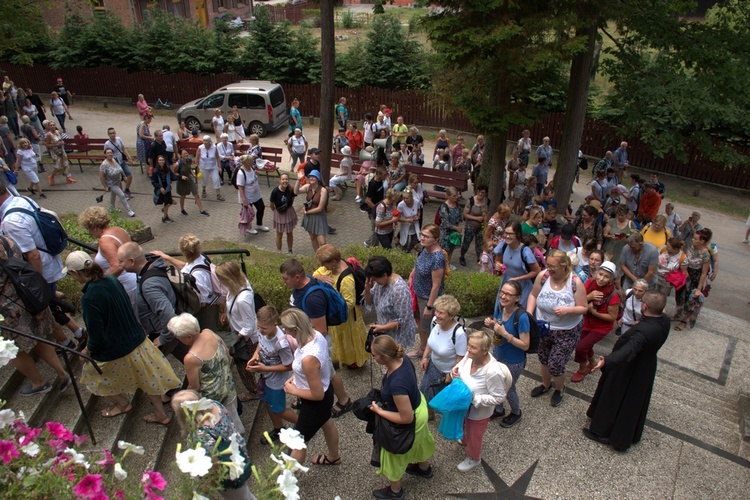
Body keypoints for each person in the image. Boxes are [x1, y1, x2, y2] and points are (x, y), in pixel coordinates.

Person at [66, 251, 180, 424]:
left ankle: (122, 404)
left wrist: (88, 350)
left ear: (75, 273)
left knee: (92, 375)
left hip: (116, 347)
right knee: (148, 376)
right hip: (137, 338)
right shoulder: (111, 280)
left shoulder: (89, 298)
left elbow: (96, 334)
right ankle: (160, 413)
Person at [584, 291, 670, 452]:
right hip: (647, 366)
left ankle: (603, 432)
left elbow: (628, 350)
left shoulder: (643, 332)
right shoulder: (663, 321)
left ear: (644, 306)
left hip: (629, 369)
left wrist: (607, 361)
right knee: (633, 402)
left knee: (616, 398)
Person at [280, 258, 353, 418]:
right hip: (304, 340)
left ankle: (344, 400)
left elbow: (320, 330)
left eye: (286, 278)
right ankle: (304, 396)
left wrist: (308, 350)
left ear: (297, 277)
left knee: (330, 373)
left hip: (316, 343)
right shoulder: (303, 282)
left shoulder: (313, 299)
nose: (283, 281)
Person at [0, 235, 70, 396]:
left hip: (8, 309)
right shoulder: (6, 240)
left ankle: (39, 382)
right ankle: (62, 373)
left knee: (13, 349)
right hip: (29, 296)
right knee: (39, 337)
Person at [369, 335, 435, 499]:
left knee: (394, 454)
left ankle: (395, 491)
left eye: (374, 355)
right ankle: (424, 468)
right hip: (419, 406)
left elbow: (406, 418)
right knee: (419, 441)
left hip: (411, 417)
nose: (372, 357)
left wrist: (379, 411)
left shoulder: (397, 384)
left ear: (384, 357)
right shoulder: (402, 358)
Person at [279, 308, 341, 466]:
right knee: (327, 422)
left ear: (295, 329)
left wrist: (293, 390)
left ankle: (285, 485)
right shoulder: (316, 335)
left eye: (285, 328)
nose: (283, 330)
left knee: (298, 442)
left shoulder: (308, 358)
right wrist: (296, 376)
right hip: (327, 393)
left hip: (316, 403)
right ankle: (334, 457)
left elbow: (317, 394)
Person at [527, 249, 588, 407]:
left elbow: (583, 307)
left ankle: (560, 388)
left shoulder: (575, 282)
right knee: (543, 358)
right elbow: (533, 295)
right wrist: (529, 314)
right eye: (547, 265)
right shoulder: (543, 276)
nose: (549, 269)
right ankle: (546, 385)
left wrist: (569, 310)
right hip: (544, 327)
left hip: (566, 330)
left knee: (556, 363)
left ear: (564, 266)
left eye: (553, 266)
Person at [168, 313, 244, 433]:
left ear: (188, 336)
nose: (178, 339)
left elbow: (194, 386)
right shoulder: (209, 332)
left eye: (179, 336)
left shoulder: (191, 357)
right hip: (228, 384)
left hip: (213, 396)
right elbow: (227, 355)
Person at [171, 390, 253, 499]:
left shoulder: (200, 435)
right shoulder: (215, 405)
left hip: (228, 472)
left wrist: (206, 486)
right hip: (237, 453)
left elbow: (216, 466)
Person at [452, 330, 511, 472]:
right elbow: (461, 366)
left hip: (478, 412)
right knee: (466, 425)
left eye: (473, 347)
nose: (468, 349)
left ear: (484, 351)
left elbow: (499, 397)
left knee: (475, 434)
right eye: (469, 345)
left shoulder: (492, 372)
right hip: (464, 405)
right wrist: (455, 370)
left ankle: (474, 457)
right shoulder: (470, 355)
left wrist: (475, 398)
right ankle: (466, 440)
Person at [116, 242, 187, 362]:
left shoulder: (149, 285)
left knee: (150, 367)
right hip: (170, 331)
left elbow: (168, 314)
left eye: (121, 261)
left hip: (163, 332)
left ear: (132, 261)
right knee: (187, 356)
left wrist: (163, 339)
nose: (119, 265)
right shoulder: (151, 269)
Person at [246, 305, 298, 444]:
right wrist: (255, 355)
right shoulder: (262, 332)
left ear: (274, 324)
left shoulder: (281, 343)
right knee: (268, 403)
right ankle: (278, 428)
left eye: (264, 328)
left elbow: (289, 366)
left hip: (277, 381)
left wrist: (265, 369)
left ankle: (304, 424)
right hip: (266, 377)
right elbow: (260, 345)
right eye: (259, 327)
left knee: (279, 409)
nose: (260, 331)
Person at [313, 244, 368, 369]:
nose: (322, 266)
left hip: (347, 318)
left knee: (349, 342)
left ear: (333, 261)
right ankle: (346, 359)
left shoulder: (346, 279)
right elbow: (315, 273)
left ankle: (354, 362)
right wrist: (320, 277)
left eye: (323, 263)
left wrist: (330, 305)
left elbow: (349, 302)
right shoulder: (332, 268)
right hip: (340, 316)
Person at [152, 234, 222, 331]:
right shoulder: (201, 258)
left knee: (208, 333)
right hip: (210, 304)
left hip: (206, 311)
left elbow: (203, 302)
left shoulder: (197, 275)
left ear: (183, 252)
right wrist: (167, 257)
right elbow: (186, 266)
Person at [485, 279, 529, 427]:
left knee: (509, 388)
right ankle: (499, 408)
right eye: (502, 292)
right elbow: (498, 326)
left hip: (514, 360)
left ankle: (516, 412)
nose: (503, 296)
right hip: (498, 354)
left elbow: (525, 345)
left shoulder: (521, 317)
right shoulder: (500, 307)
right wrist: (491, 324)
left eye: (508, 294)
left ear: (517, 298)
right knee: (496, 383)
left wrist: (505, 334)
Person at [216, 261, 261, 402]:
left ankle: (254, 391)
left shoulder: (243, 299)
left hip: (246, 340)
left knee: (244, 367)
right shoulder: (238, 285)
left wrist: (234, 339)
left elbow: (250, 326)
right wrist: (226, 312)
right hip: (241, 334)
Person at [78, 206, 138, 309]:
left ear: (95, 228)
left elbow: (118, 266)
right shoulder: (119, 230)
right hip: (135, 279)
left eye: (89, 229)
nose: (89, 233)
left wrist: (99, 282)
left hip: (125, 286)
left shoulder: (104, 241)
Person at [571, 262, 620, 383]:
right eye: (600, 274)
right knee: (585, 344)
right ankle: (592, 362)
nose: (601, 279)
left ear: (611, 279)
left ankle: (582, 370)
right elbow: (578, 299)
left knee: (581, 347)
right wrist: (590, 296)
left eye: (606, 277)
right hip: (586, 322)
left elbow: (612, 317)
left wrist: (594, 312)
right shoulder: (590, 282)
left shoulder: (613, 295)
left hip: (601, 327)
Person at [418, 295, 467, 407]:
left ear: (451, 316)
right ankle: (428, 413)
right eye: (436, 311)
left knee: (442, 400)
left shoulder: (459, 334)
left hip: (447, 372)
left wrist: (450, 374)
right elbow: (432, 341)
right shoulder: (435, 322)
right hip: (433, 365)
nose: (437, 315)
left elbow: (460, 358)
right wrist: (425, 357)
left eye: (441, 313)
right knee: (425, 391)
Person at [408, 224, 446, 358]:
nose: (422, 238)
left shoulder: (438, 258)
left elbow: (436, 285)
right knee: (419, 321)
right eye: (422, 235)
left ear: (435, 239)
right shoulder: (425, 249)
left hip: (427, 297)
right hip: (417, 292)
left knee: (426, 326)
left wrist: (429, 307)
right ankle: (423, 348)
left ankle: (426, 352)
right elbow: (418, 263)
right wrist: (411, 276)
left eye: (426, 236)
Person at [364, 256, 416, 349]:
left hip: (398, 334)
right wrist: (367, 290)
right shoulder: (380, 283)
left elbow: (403, 320)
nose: (374, 282)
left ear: (384, 275)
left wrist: (383, 327)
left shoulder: (399, 290)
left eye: (375, 279)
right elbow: (369, 301)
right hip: (384, 330)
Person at [493, 221, 541, 307]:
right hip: (506, 282)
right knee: (502, 309)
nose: (507, 236)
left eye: (511, 234)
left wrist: (517, 279)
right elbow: (498, 260)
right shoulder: (503, 246)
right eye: (506, 233)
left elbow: (536, 271)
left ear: (518, 234)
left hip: (522, 286)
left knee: (516, 312)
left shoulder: (525, 251)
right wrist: (498, 265)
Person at [673, 228, 711, 331]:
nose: (692, 240)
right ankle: (678, 314)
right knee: (680, 296)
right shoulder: (691, 247)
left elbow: (704, 273)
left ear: (702, 241)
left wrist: (699, 288)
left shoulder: (705, 254)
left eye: (695, 238)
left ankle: (684, 320)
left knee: (690, 301)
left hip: (696, 278)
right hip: (686, 275)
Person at [294, 169, 328, 251]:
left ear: (318, 179)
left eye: (314, 177)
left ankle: (325, 256)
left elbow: (320, 208)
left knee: (322, 241)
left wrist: (307, 212)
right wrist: (298, 179)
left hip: (318, 216)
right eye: (310, 177)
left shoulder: (323, 190)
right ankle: (317, 254)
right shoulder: (307, 187)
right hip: (309, 216)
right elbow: (296, 192)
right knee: (312, 237)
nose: (311, 178)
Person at [236, 154, 269, 236]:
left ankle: (259, 224)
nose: (253, 162)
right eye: (251, 160)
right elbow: (240, 188)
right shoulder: (241, 173)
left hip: (256, 195)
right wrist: (244, 200)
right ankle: (248, 228)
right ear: (247, 163)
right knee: (248, 213)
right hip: (247, 197)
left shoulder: (251, 168)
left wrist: (256, 174)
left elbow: (253, 177)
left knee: (261, 207)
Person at [99, 148, 136, 217]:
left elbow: (120, 169)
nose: (110, 154)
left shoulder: (115, 159)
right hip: (111, 184)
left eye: (111, 152)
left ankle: (112, 209)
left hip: (117, 181)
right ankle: (129, 210)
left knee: (113, 195)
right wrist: (105, 187)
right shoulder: (104, 165)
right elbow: (101, 176)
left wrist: (124, 176)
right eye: (108, 153)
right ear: (105, 155)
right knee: (122, 195)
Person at [173, 149, 210, 216]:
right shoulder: (178, 164)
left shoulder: (189, 160)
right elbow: (174, 173)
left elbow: (190, 168)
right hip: (181, 182)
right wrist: (181, 176)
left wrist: (193, 174)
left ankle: (202, 210)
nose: (186, 155)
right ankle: (182, 209)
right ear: (181, 155)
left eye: (186, 153)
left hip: (189, 179)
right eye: (184, 154)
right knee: (183, 196)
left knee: (196, 194)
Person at [460, 185, 490, 267]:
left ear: (486, 193)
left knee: (479, 243)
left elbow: (488, 212)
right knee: (467, 242)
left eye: (483, 192)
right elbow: (465, 214)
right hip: (470, 225)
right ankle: (462, 256)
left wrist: (486, 218)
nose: (480, 194)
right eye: (479, 192)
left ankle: (479, 257)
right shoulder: (471, 201)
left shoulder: (487, 201)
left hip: (481, 226)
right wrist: (476, 218)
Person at [269, 172, 297, 253]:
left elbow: (292, 199)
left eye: (286, 179)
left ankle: (290, 250)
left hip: (289, 212)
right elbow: (271, 204)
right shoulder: (275, 191)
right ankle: (279, 251)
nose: (285, 181)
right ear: (280, 180)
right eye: (283, 179)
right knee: (279, 234)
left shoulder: (291, 189)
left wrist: (288, 207)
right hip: (279, 213)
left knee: (289, 233)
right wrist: (276, 211)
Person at [104, 127, 134, 198]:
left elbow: (123, 148)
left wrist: (129, 157)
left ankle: (127, 189)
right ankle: (122, 195)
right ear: (108, 135)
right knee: (119, 179)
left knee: (129, 175)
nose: (112, 135)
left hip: (122, 162)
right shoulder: (107, 144)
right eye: (110, 133)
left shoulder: (119, 139)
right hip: (115, 164)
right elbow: (106, 155)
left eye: (113, 133)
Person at [44, 120, 76, 185]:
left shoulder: (58, 132)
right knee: (57, 166)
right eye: (51, 125)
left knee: (65, 164)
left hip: (62, 150)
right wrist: (55, 145)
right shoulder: (48, 135)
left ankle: (68, 177)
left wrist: (62, 143)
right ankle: (51, 176)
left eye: (53, 125)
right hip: (55, 151)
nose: (52, 126)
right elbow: (47, 144)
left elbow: (62, 140)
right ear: (49, 127)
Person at [438, 187, 464, 262]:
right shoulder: (444, 207)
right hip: (445, 233)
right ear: (449, 196)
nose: (456, 197)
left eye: (457, 195)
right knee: (444, 251)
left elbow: (460, 217)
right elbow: (445, 223)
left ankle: (448, 264)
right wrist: (457, 228)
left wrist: (459, 226)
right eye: (454, 196)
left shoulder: (457, 205)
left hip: (454, 233)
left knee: (451, 249)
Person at [364, 167, 387, 248]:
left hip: (379, 207)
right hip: (374, 211)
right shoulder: (373, 184)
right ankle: (372, 246)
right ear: (378, 174)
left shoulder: (381, 181)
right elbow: (368, 200)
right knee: (375, 230)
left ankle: (369, 243)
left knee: (377, 229)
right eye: (384, 174)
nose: (386, 176)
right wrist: (376, 209)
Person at [151, 155, 175, 223]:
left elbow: (172, 176)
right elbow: (153, 182)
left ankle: (165, 211)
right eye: (160, 160)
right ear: (157, 161)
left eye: (163, 160)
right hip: (161, 190)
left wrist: (180, 177)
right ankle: (165, 217)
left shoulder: (167, 169)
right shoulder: (156, 171)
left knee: (169, 202)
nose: (162, 161)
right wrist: (160, 187)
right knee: (167, 203)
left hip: (167, 188)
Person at [396, 188, 420, 252]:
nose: (405, 200)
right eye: (403, 198)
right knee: (404, 243)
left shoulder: (416, 202)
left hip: (414, 225)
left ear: (411, 197)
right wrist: (407, 220)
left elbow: (418, 210)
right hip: (405, 225)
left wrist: (418, 216)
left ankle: (409, 250)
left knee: (415, 241)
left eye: (407, 198)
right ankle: (404, 252)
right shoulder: (400, 205)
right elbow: (398, 218)